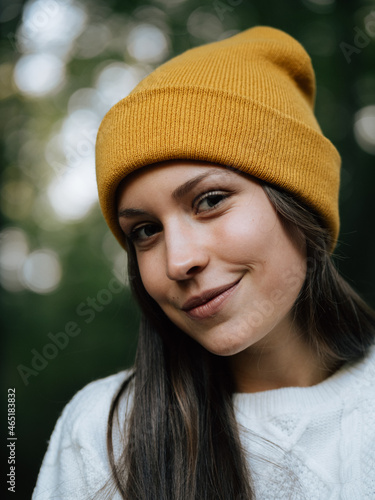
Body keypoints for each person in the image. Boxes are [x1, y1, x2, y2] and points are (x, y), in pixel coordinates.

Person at [33, 26, 375, 500]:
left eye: (210, 200)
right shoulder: (101, 434)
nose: (179, 261)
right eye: (145, 231)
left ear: (302, 201)